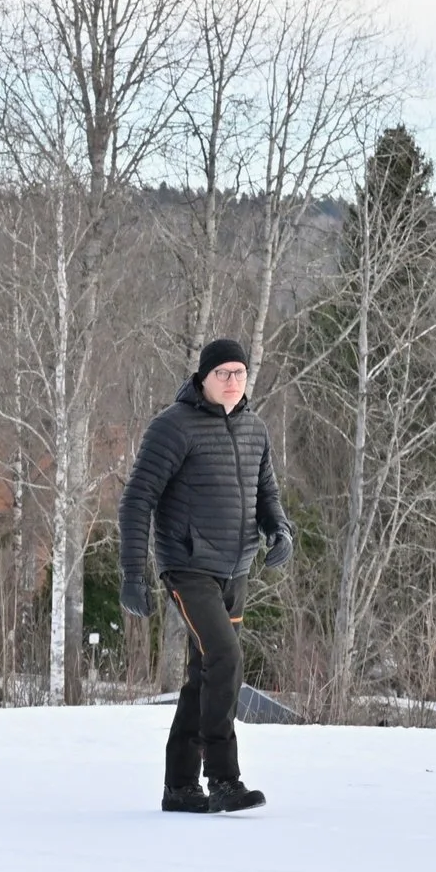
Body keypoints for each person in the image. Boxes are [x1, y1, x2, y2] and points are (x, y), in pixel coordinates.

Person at [118, 338, 293, 814]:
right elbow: (136, 500)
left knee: (205, 675)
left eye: (240, 373)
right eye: (224, 374)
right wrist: (133, 573)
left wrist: (279, 531)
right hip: (188, 565)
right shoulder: (173, 427)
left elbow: (267, 494)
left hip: (235, 569)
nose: (233, 382)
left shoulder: (254, 428)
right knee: (226, 658)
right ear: (204, 377)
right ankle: (223, 777)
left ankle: (179, 786)